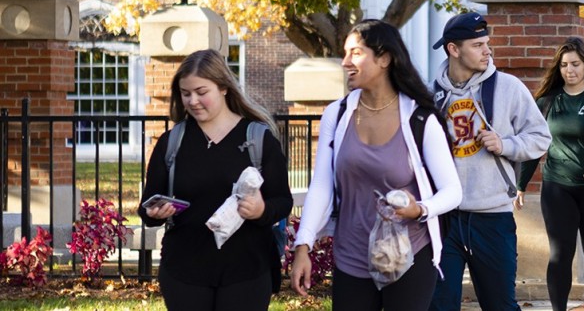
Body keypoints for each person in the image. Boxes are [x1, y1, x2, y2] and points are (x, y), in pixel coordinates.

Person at [291, 19, 462, 311]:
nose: (345, 62)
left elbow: (453, 191)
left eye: (355, 53)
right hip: (351, 256)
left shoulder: (420, 119)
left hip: (408, 253)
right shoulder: (338, 114)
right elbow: (321, 186)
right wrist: (303, 245)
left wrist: (420, 209)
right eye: (345, 53)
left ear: (384, 58)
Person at [140, 49, 293, 311]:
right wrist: (155, 212)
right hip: (184, 271)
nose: (193, 101)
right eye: (186, 93)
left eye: (201, 92)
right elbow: (147, 208)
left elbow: (282, 200)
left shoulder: (258, 138)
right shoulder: (172, 142)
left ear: (223, 87)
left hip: (247, 270)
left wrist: (262, 210)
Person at [428, 12, 552, 311]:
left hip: (492, 217)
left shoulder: (508, 87)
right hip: (445, 219)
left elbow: (540, 137)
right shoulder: (431, 95)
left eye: (487, 43)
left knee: (500, 306)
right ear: (453, 49)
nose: (487, 51)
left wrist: (506, 144)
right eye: (477, 45)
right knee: (438, 306)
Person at [517, 37, 584, 311]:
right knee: (560, 254)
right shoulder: (546, 101)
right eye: (564, 65)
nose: (570, 70)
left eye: (575, 64)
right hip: (557, 187)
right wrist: (520, 185)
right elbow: (534, 145)